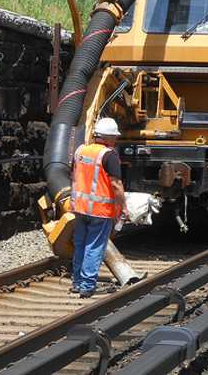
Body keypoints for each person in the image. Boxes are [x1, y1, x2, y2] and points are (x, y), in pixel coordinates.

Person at [70, 117, 127, 298]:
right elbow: (116, 185)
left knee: (80, 244)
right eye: (115, 137)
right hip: (101, 210)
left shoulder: (80, 151)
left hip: (80, 207)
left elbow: (74, 175)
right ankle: (87, 285)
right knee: (94, 247)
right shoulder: (109, 155)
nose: (116, 140)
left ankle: (77, 283)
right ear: (108, 137)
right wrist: (122, 207)